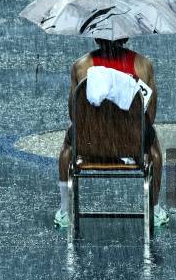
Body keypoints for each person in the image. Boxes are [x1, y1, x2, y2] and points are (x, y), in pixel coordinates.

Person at [54, 37, 169, 227]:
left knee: (67, 147)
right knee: (154, 145)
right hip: (132, 145)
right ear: (126, 37)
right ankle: (155, 210)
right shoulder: (143, 65)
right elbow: (150, 115)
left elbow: (74, 115)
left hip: (91, 144)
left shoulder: (81, 67)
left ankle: (65, 211)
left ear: (95, 37)